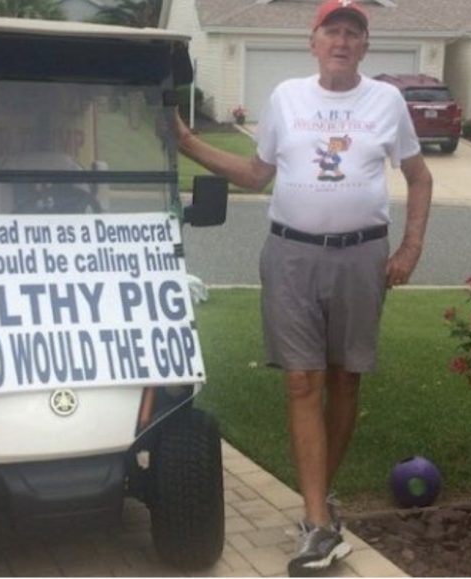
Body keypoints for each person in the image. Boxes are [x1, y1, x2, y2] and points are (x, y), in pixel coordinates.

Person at [175, 0, 433, 575]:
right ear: (313, 42)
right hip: (291, 255)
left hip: (362, 256)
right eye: (332, 31)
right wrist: (188, 143)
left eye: (353, 34)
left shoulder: (386, 101)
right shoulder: (287, 97)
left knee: (344, 379)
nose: (342, 41)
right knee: (301, 381)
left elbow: (419, 177)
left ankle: (320, 500)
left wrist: (411, 248)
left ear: (365, 47)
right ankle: (318, 522)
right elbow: (256, 174)